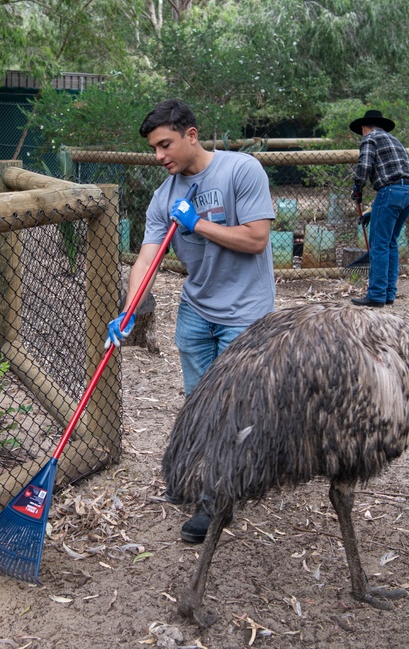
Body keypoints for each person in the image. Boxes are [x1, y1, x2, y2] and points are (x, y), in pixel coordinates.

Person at [106, 99, 276, 543]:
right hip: (197, 310)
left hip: (246, 312)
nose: (159, 156)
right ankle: (205, 476)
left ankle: (218, 500)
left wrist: (197, 224)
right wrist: (129, 309)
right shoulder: (165, 197)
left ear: (192, 135)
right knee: (200, 403)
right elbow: (147, 257)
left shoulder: (241, 171)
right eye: (154, 149)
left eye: (165, 145)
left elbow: (256, 239)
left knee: (231, 406)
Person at [349, 109, 409, 307]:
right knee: (391, 243)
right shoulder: (394, 140)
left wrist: (357, 189)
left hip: (391, 192)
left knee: (379, 244)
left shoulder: (369, 138)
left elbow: (364, 166)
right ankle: (388, 293)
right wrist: (373, 212)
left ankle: (376, 295)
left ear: (364, 128)